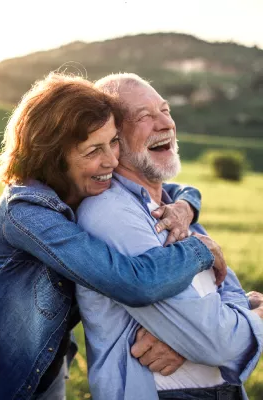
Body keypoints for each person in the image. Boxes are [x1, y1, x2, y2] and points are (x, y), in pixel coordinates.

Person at [0, 73, 225, 400]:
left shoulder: (82, 185)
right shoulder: (25, 213)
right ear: (54, 157)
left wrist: (185, 206)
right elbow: (132, 283)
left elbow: (168, 188)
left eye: (113, 141)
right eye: (93, 150)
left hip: (46, 367)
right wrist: (200, 250)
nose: (112, 160)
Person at [76, 73, 263, 400]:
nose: (165, 124)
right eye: (145, 117)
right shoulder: (111, 214)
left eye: (165, 110)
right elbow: (214, 342)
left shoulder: (172, 208)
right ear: (111, 138)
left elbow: (221, 296)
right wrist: (255, 317)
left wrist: (194, 340)